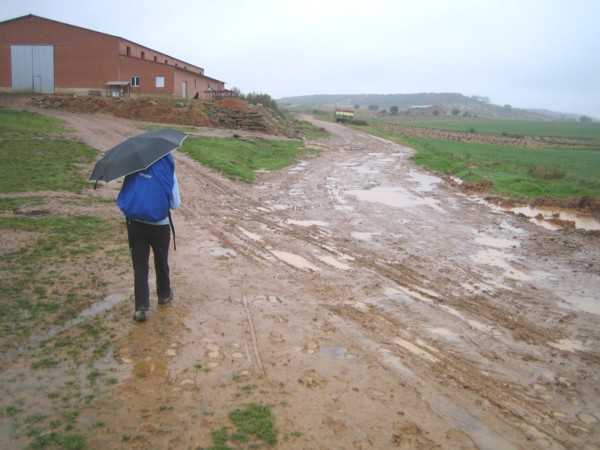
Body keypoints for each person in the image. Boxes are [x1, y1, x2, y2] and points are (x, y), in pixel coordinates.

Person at [117, 154, 180, 322]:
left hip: (136, 225)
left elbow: (126, 197)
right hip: (160, 225)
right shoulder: (168, 173)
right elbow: (175, 203)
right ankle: (164, 295)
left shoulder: (132, 170)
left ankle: (141, 308)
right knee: (161, 260)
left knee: (140, 266)